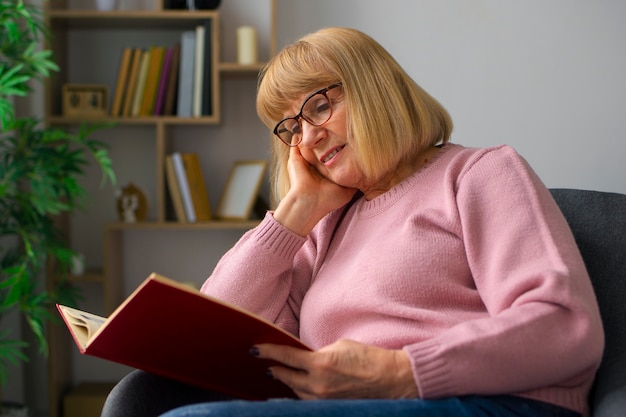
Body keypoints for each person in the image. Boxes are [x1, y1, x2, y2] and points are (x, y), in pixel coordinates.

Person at [102, 27, 604, 417]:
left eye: (320, 105)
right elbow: (215, 329)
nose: (308, 137)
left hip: (489, 403)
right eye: (290, 128)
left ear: (374, 88)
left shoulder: (478, 174)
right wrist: (295, 213)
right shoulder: (327, 224)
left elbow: (564, 325)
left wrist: (403, 371)